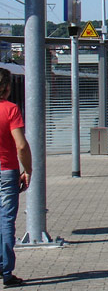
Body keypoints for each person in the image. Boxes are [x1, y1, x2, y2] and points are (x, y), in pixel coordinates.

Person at [0, 68, 31, 288]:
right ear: (8, 87)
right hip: (6, 171)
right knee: (5, 221)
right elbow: (21, 145)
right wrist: (27, 169)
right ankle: (6, 272)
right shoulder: (11, 109)